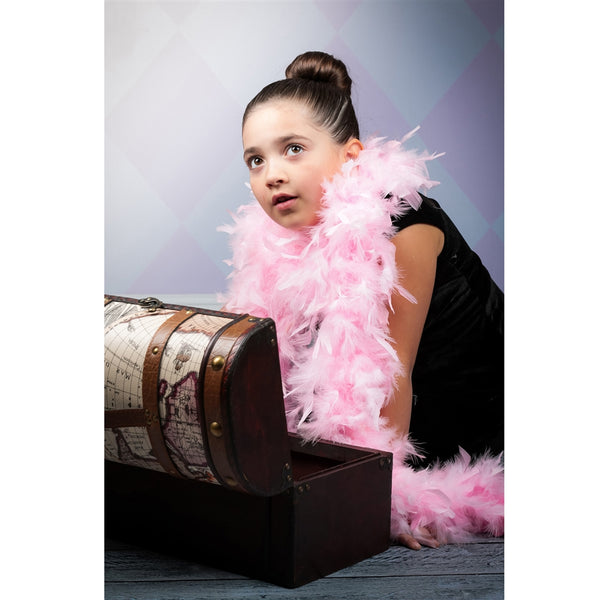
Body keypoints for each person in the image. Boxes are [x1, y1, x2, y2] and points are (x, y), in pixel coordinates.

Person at [220, 51, 503, 550]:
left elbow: (386, 374)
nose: (271, 174)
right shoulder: (291, 242)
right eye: (255, 159)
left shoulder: (403, 227)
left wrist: (379, 499)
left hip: (473, 438)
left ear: (351, 156)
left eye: (293, 149)